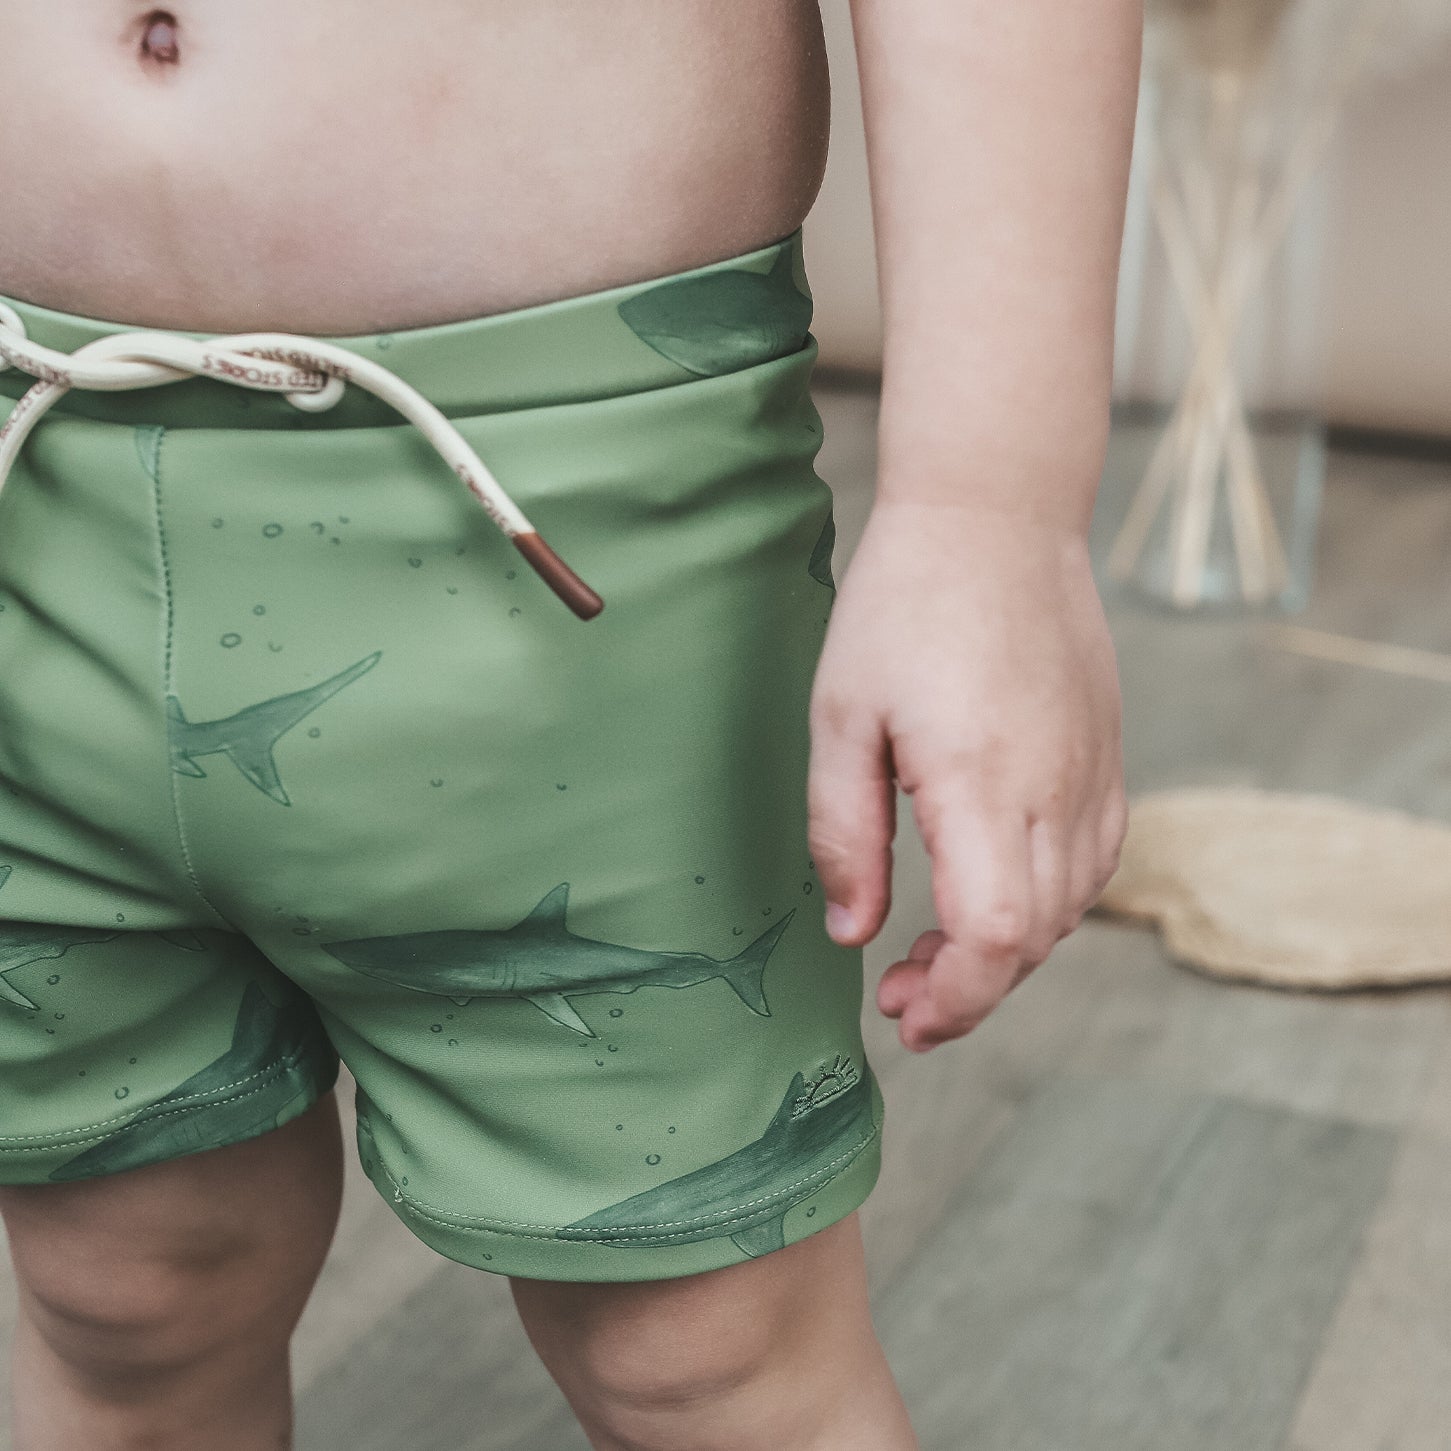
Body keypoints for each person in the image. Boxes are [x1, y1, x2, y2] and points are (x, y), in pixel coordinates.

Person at [0, 2, 1141, 1447]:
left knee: (706, 1360)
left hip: (582, 525)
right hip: (28, 491)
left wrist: (993, 516)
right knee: (120, 1285)